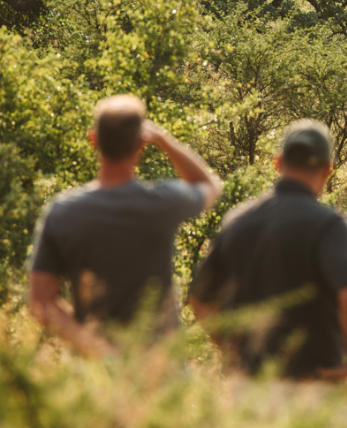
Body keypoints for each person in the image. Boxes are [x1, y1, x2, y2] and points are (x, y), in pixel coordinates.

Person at [28, 95, 223, 356]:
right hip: (159, 367)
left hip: (93, 375)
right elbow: (210, 186)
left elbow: (41, 302)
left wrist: (99, 350)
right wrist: (163, 139)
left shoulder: (64, 212)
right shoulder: (163, 202)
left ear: (93, 139)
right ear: (141, 143)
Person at [187, 120, 347, 385]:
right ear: (328, 168)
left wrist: (232, 353)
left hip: (249, 384)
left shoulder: (238, 220)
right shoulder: (328, 224)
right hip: (312, 383)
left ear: (277, 163)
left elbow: (199, 298)